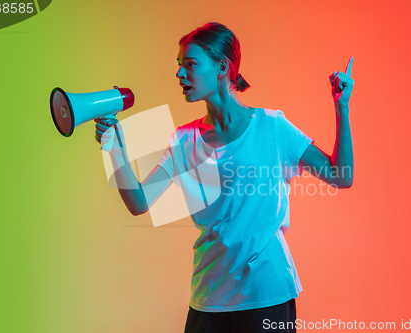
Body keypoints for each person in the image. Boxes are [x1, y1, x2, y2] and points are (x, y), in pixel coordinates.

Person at [94, 22, 354, 333]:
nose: (179, 74)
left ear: (221, 67)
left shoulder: (271, 126)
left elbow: (341, 176)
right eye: (179, 65)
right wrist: (114, 148)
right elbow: (138, 202)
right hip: (209, 296)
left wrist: (342, 108)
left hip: (266, 292)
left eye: (190, 64)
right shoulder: (183, 140)